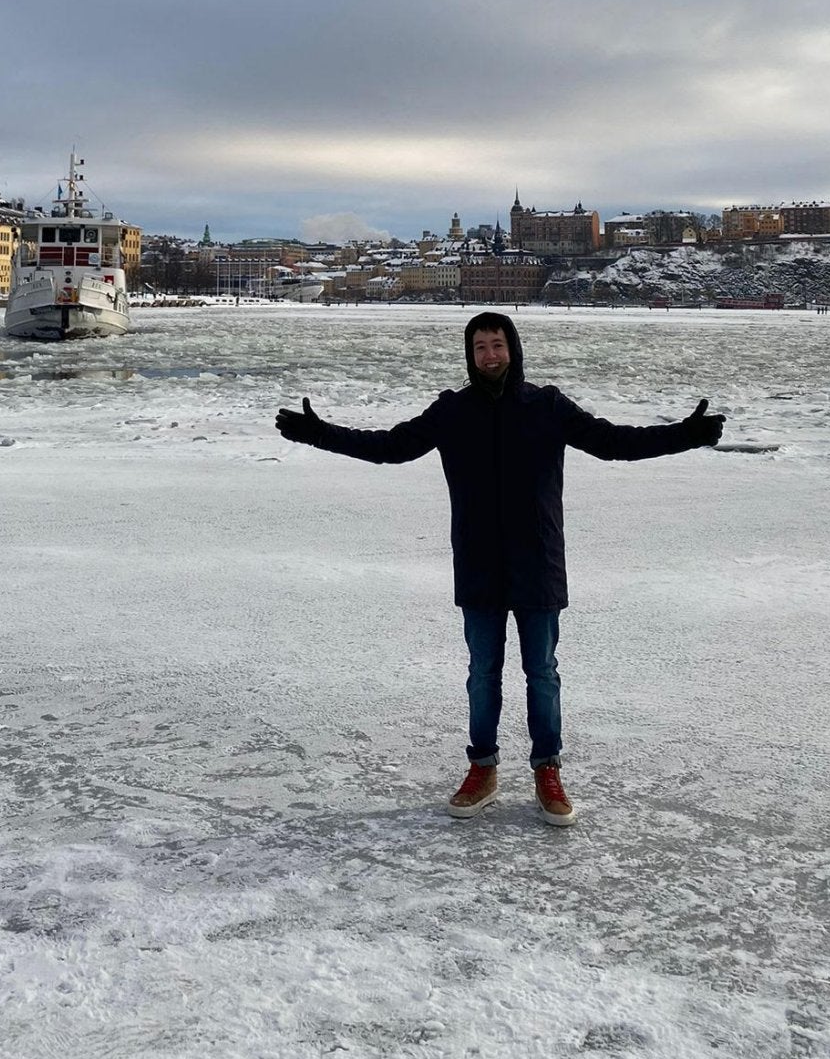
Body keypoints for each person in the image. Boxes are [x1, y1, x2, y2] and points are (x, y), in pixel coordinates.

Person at [275, 310, 724, 825]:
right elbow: (389, 448)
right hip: (479, 563)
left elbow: (614, 442)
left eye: (498, 344)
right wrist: (319, 433)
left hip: (537, 562)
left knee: (543, 674)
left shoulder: (547, 406)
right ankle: (482, 768)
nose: (490, 354)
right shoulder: (452, 412)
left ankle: (546, 770)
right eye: (480, 347)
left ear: (513, 349)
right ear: (470, 356)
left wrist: (685, 435)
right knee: (482, 674)